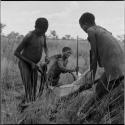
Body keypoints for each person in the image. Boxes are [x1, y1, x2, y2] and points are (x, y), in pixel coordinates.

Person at [79, 12, 124, 99]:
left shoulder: (90, 30)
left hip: (113, 66)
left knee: (99, 90)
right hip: (121, 63)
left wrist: (91, 79)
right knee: (105, 86)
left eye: (82, 27)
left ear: (85, 24)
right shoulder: (103, 29)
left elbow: (94, 57)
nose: (84, 30)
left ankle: (89, 112)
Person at [14, 17, 49, 103]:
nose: (43, 33)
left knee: (34, 87)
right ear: (35, 27)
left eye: (45, 31)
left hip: (34, 65)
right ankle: (23, 108)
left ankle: (31, 106)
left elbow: (45, 46)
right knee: (28, 87)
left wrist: (47, 56)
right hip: (24, 64)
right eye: (41, 30)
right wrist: (31, 63)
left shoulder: (43, 35)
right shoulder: (29, 36)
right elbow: (16, 52)